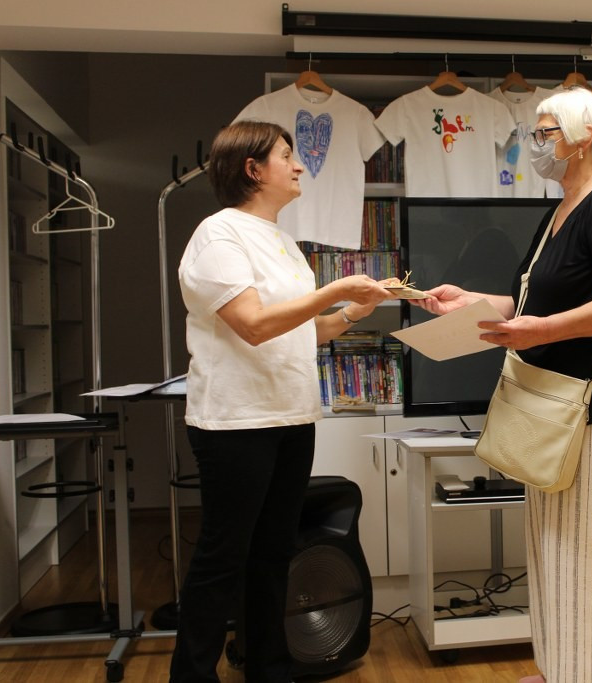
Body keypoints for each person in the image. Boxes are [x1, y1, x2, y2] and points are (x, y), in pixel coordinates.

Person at [415, 87, 592, 683]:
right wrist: (470, 301)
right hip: (549, 404)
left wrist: (542, 329)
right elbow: (531, 301)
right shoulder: (561, 210)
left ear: (584, 137)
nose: (536, 144)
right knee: (549, 549)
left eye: (546, 133)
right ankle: (555, 669)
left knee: (580, 556)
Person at [170, 119, 395, 683]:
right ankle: (190, 676)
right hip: (236, 422)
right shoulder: (218, 235)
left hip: (292, 415)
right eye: (286, 156)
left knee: (273, 553)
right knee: (223, 556)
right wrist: (335, 289)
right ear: (253, 169)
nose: (298, 166)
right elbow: (252, 324)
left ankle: (269, 668)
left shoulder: (284, 242)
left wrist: (354, 311)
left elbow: (305, 330)